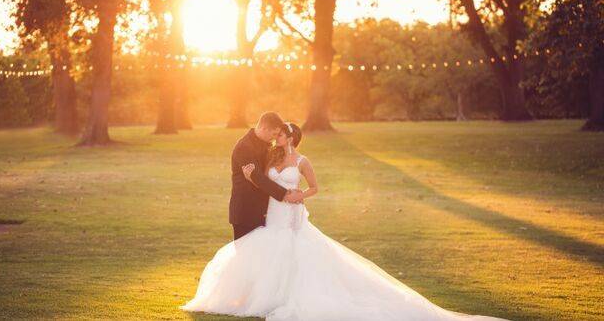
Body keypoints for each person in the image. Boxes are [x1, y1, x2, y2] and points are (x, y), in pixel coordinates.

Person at [180, 122, 507, 321]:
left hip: (291, 213)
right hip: (273, 214)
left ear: (291, 139)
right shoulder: (269, 157)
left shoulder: (302, 160)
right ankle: (261, 295)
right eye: (277, 135)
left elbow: (315, 188)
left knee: (295, 252)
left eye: (283, 136)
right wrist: (256, 178)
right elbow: (263, 182)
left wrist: (298, 196)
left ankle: (290, 298)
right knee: (267, 252)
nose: (278, 139)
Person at [228, 112, 304, 240]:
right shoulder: (244, 147)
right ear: (264, 128)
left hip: (265, 211)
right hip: (246, 211)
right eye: (274, 134)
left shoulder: (268, 145)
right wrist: (286, 194)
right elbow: (258, 177)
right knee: (245, 256)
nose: (275, 138)